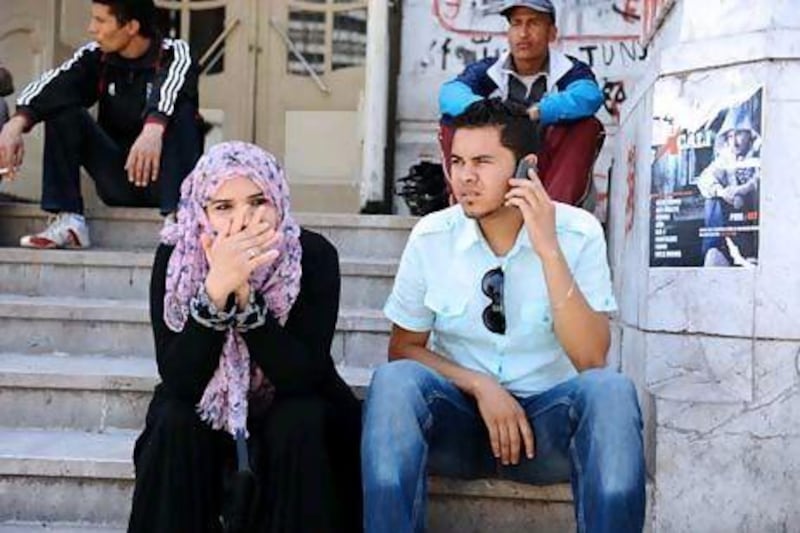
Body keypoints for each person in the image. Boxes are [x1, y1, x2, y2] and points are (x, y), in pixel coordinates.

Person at [361, 99, 645, 533]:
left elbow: (591, 359)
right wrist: (480, 386)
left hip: (544, 434)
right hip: (460, 428)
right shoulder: (431, 236)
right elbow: (403, 349)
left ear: (526, 167)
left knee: (611, 391)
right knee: (393, 383)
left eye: (482, 162)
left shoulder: (577, 232)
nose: (464, 177)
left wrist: (548, 249)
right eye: (457, 161)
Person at [128, 141, 362, 533]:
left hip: (290, 402)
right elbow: (181, 380)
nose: (244, 221)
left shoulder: (313, 255)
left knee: (301, 418)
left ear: (279, 200)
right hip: (206, 405)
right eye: (224, 207)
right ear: (201, 214)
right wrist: (215, 294)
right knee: (174, 418)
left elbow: (302, 375)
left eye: (258, 202)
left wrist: (250, 307)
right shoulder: (177, 259)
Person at [0, 0, 202, 249]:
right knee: (62, 108)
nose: (91, 28)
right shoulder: (98, 56)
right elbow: (56, 83)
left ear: (131, 26)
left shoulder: (174, 53)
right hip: (118, 179)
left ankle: (180, 220)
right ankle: (69, 220)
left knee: (182, 111)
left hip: (166, 183)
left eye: (100, 20)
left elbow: (171, 88)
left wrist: (153, 129)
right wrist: (15, 124)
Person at [438, 0, 604, 208]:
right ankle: (466, 205)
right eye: (516, 23)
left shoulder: (569, 70)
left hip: (548, 168)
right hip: (496, 166)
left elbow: (588, 95)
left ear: (551, 33)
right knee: (451, 122)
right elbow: (450, 94)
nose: (523, 33)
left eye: (533, 23)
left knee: (586, 125)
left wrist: (538, 112)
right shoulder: (490, 70)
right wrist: (491, 113)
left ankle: (556, 215)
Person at [696, 105, 760, 267]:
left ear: (749, 134)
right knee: (712, 200)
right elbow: (705, 179)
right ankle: (716, 246)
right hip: (731, 230)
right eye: (730, 136)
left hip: (756, 230)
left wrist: (740, 190)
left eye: (738, 134)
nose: (734, 141)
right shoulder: (725, 159)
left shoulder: (760, 153)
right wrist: (722, 192)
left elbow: (760, 180)